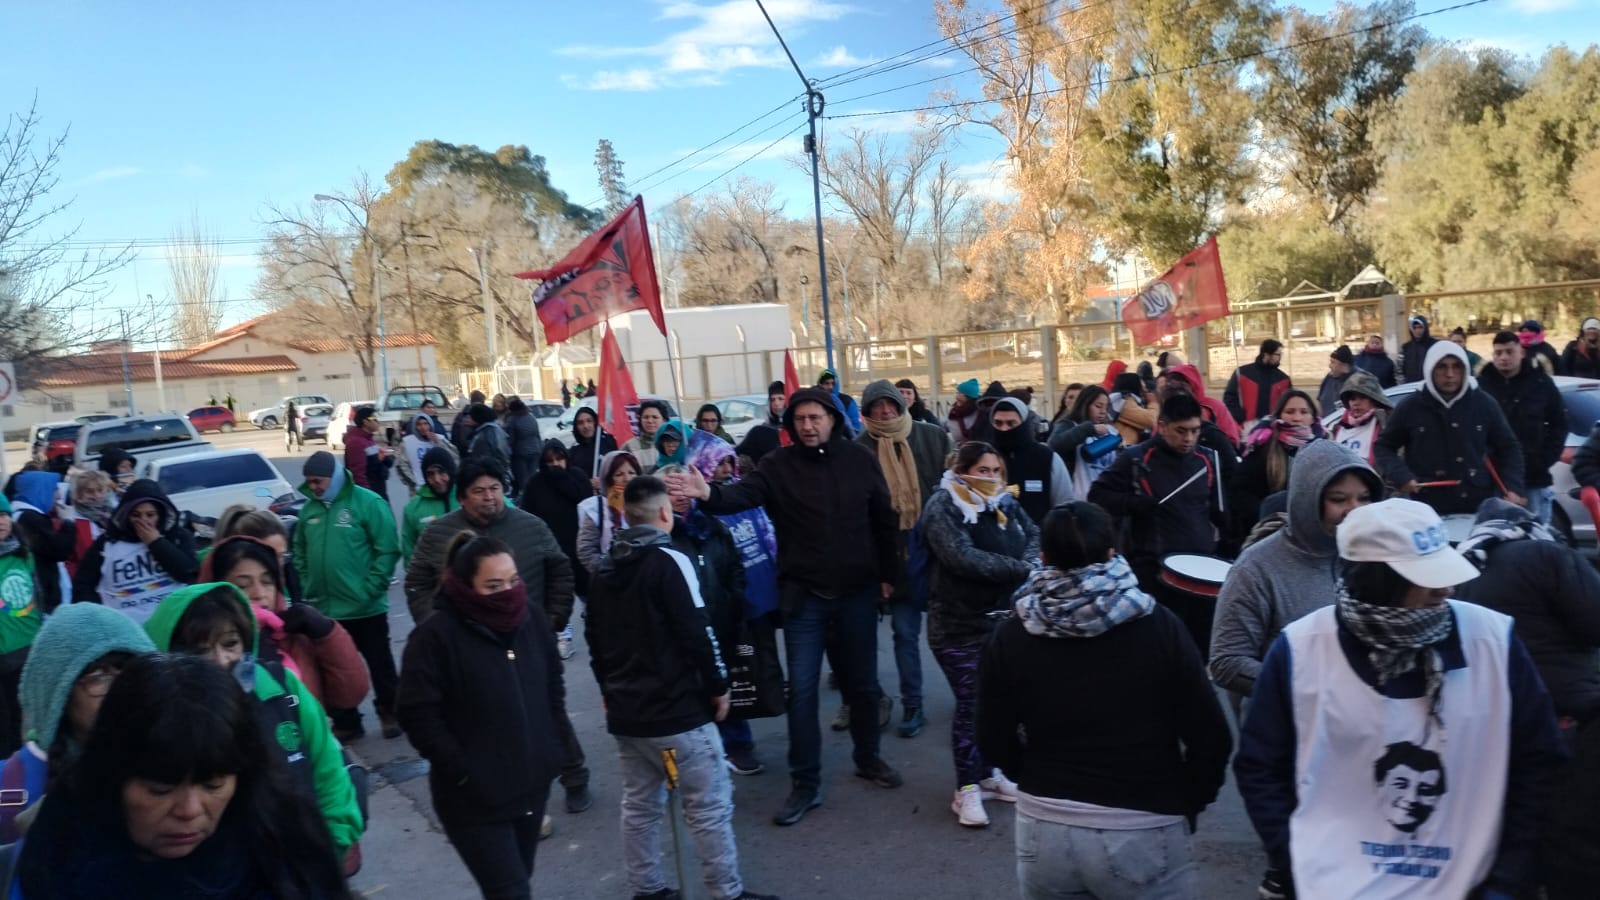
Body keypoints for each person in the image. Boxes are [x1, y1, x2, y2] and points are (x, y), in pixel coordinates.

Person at [1233, 499, 1566, 900]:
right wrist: (1300, 861)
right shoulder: (1301, 649)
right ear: (1379, 579)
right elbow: (1260, 767)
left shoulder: (1493, 641)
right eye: (1425, 576)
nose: (1447, 587)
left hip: (1472, 888)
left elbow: (1539, 764)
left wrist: (1506, 883)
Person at [666, 386, 903, 827]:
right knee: (804, 693)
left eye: (816, 417)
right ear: (791, 425)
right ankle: (805, 783)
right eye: (800, 419)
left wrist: (890, 576)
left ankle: (868, 758)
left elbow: (883, 520)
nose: (808, 426)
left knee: (864, 687)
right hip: (805, 598)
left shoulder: (859, 461)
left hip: (856, 593)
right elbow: (743, 497)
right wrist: (708, 494)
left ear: (832, 419)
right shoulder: (777, 466)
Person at [978, 502, 1232, 898]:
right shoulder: (1159, 626)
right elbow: (1210, 735)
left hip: (1043, 823)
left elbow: (991, 735)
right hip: (1144, 823)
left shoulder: (1013, 633)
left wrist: (1033, 778)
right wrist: (1189, 800)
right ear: (1113, 553)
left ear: (1043, 557)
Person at [11, 653, 353, 900]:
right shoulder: (58, 850)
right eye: (160, 789)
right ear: (112, 774)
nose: (189, 810)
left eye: (213, 785)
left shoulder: (287, 841)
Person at [584, 476, 778, 900]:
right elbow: (698, 628)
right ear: (665, 515)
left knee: (639, 805)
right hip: (677, 710)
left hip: (627, 712)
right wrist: (720, 685)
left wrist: (606, 689)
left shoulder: (604, 568)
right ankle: (725, 892)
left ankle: (647, 888)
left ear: (624, 516)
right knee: (708, 805)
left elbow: (594, 638)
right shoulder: (670, 561)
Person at [404, 461, 590, 815]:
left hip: (529, 642)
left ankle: (575, 776)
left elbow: (561, 571)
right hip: (472, 652)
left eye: (495, 489)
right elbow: (417, 582)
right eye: (479, 491)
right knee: (493, 723)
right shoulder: (440, 534)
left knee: (550, 712)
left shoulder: (530, 526)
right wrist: (435, 631)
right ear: (461, 497)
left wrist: (551, 621)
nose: (489, 497)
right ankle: (513, 794)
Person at [398, 534, 567, 900]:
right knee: (511, 892)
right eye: (493, 586)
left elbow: (553, 685)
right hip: (473, 801)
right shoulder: (433, 639)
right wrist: (464, 772)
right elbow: (417, 715)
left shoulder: (531, 619)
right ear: (465, 586)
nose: (507, 593)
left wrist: (557, 745)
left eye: (513, 581)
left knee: (519, 879)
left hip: (531, 787)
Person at [144, 582, 363, 860]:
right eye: (199, 650)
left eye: (230, 643)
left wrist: (330, 849)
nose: (220, 660)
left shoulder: (282, 689)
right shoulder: (158, 718)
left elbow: (329, 770)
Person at [1454, 498, 1600, 899]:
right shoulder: (1547, 554)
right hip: (1567, 716)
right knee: (1570, 840)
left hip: (1490, 727)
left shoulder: (1462, 566)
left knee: (1511, 835)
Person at [919, 442, 1039, 827]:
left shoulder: (1005, 501)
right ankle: (966, 790)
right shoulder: (943, 506)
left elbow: (1034, 532)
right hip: (957, 626)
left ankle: (989, 774)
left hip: (1002, 622)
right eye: (983, 471)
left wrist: (1031, 561)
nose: (990, 478)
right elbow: (962, 557)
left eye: (995, 471)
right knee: (971, 704)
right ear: (961, 469)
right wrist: (1020, 568)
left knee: (996, 702)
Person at [1210, 441, 1381, 705]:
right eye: (1338, 499)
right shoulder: (1256, 568)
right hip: (1288, 731)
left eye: (1364, 498)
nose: (1354, 509)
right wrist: (1309, 688)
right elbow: (1226, 662)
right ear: (1307, 499)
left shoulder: (1374, 557)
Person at [0, 603, 155, 844]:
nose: (120, 690)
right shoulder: (11, 789)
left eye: (130, 671)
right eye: (98, 678)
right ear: (57, 695)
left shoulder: (176, 765)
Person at [1088, 394, 1226, 655]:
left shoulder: (1207, 460)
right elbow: (1097, 494)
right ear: (1162, 426)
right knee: (1159, 649)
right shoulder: (1137, 458)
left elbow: (1218, 511)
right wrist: (1134, 503)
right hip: (1154, 570)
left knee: (1201, 650)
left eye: (1195, 431)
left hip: (1201, 567)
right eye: (1181, 431)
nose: (1188, 439)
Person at [854, 379, 953, 739]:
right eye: (876, 406)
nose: (885, 411)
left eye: (890, 404)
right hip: (893, 554)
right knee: (904, 633)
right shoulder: (859, 449)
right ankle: (913, 703)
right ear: (866, 413)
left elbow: (956, 483)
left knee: (955, 633)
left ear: (901, 405)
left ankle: (971, 693)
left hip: (939, 549)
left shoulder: (932, 436)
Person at [656, 462, 769, 776]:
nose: (679, 496)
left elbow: (734, 567)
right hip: (680, 632)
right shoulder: (658, 537)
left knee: (726, 683)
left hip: (721, 619)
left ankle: (737, 745)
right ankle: (695, 753)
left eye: (682, 486)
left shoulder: (713, 526)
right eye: (670, 489)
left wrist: (733, 599)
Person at [293, 450, 402, 741]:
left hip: (365, 607)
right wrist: (308, 584)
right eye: (310, 482)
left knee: (380, 664)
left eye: (318, 481)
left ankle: (390, 712)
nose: (314, 487)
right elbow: (300, 551)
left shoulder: (367, 503)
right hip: (326, 609)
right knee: (335, 670)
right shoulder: (309, 511)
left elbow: (387, 548)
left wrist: (370, 589)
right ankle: (347, 721)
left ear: (335, 477)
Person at [200, 535, 370, 713]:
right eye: (243, 586)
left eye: (267, 582)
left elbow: (350, 696)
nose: (259, 593)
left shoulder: (290, 635)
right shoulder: (205, 648)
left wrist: (327, 634)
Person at [1374, 340, 1526, 515]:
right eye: (1441, 367)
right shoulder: (1411, 407)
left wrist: (1513, 487)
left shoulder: (1484, 404)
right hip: (1428, 507)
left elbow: (1509, 448)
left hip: (1478, 505)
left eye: (1457, 367)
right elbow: (1384, 446)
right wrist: (1402, 475)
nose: (1450, 374)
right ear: (1430, 369)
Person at [70, 478, 199, 621]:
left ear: (161, 515)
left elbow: (188, 573)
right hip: (126, 631)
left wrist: (156, 542)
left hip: (172, 624)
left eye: (150, 515)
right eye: (136, 515)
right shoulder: (106, 543)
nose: (143, 521)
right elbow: (82, 585)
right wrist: (100, 618)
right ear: (126, 515)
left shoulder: (177, 537)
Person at [1478, 330, 1566, 525]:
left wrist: (1544, 459)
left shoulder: (1541, 384)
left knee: (1536, 538)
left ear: (1522, 353)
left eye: (1510, 352)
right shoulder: (1481, 387)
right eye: (1498, 353)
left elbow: (1559, 424)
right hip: (1493, 481)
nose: (1504, 358)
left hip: (1533, 478)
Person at [1229, 390, 1324, 536]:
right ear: (1279, 415)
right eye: (1290, 412)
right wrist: (1265, 514)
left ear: (1312, 418)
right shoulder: (1262, 447)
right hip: (1269, 532)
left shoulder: (1324, 449)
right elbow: (1239, 491)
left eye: (1304, 412)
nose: (1297, 418)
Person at [519, 440, 594, 603]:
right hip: (551, 548)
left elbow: (587, 503)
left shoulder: (578, 476)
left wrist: (563, 481)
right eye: (550, 461)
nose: (555, 464)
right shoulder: (535, 483)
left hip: (578, 547)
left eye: (559, 459)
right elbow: (528, 515)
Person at [0, 495, 42, 757]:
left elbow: (37, 594)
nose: (1, 522)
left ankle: (16, 774)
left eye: (4, 515)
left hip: (24, 648)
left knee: (21, 718)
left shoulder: (22, 553)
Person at [990, 396, 1073, 525]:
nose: (1004, 429)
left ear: (1023, 423)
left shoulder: (1047, 458)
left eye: (1011, 423)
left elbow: (1064, 503)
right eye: (998, 423)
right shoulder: (984, 457)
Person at [1048, 385, 1123, 498]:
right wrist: (1089, 429)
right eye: (1098, 406)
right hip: (1077, 497)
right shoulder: (1068, 424)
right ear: (1085, 404)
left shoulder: (1110, 430)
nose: (1103, 412)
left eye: (1106, 407)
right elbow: (1055, 444)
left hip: (1106, 496)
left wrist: (1121, 448)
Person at [575, 451, 642, 577]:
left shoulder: (646, 502)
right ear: (608, 478)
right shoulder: (597, 508)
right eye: (619, 474)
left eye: (631, 473)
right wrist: (607, 571)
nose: (627, 479)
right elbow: (586, 550)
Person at [402, 447, 461, 563]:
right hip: (431, 577)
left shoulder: (468, 495)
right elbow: (409, 550)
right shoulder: (414, 507)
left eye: (441, 472)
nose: (437, 479)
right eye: (430, 474)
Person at [1327, 370, 1393, 465]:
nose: (1356, 403)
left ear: (1373, 400)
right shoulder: (1336, 428)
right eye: (1352, 399)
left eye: (1362, 397)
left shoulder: (1385, 425)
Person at [1224, 338, 1293, 427]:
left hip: (1273, 427)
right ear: (1266, 354)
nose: (1280, 357)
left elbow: (1289, 404)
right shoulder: (1242, 374)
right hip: (1246, 426)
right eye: (1277, 354)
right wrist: (1239, 416)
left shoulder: (1283, 379)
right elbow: (1229, 397)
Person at [344, 405, 393, 501]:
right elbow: (358, 474)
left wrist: (384, 459)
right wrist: (367, 498)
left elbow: (375, 464)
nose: (377, 421)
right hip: (370, 496)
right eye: (374, 418)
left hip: (379, 491)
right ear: (365, 421)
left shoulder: (368, 439)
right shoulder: (356, 443)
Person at [400, 412, 457, 495]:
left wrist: (439, 442)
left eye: (425, 424)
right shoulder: (407, 442)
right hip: (418, 489)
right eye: (419, 424)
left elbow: (454, 458)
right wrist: (413, 482)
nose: (423, 427)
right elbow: (401, 465)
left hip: (440, 484)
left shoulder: (440, 439)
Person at [735, 381, 787, 463]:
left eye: (780, 399)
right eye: (772, 400)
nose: (776, 403)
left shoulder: (795, 427)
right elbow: (739, 451)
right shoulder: (761, 430)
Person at [465, 403, 513, 487]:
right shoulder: (495, 428)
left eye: (470, 417)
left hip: (490, 473)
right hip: (498, 471)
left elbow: (483, 456)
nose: (467, 419)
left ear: (477, 417)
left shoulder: (485, 434)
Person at [568, 405, 619, 483]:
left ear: (595, 422)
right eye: (580, 423)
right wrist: (588, 483)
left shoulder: (609, 443)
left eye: (589, 421)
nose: (585, 426)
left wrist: (603, 481)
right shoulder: (573, 452)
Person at [504, 398, 543, 495]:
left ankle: (526, 499)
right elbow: (537, 434)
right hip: (535, 450)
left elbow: (510, 440)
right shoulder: (531, 417)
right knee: (532, 476)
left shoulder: (513, 420)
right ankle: (535, 496)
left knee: (522, 479)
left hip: (521, 453)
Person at [623, 400, 670, 473]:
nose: (650, 421)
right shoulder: (629, 446)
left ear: (664, 420)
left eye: (655, 417)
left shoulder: (672, 444)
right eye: (646, 417)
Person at [817, 369, 861, 436]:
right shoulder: (815, 401)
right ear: (820, 384)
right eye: (826, 383)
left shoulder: (847, 401)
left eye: (833, 383)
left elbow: (855, 426)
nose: (830, 387)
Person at [1318, 345, 1355, 417]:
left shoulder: (1359, 381)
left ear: (1344, 365)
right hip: (1326, 424)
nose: (1330, 365)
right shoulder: (1329, 378)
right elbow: (1320, 401)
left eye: (1333, 362)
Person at [946, 378, 986, 444]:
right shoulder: (954, 412)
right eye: (957, 393)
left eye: (959, 393)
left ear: (968, 396)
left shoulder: (980, 413)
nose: (956, 396)